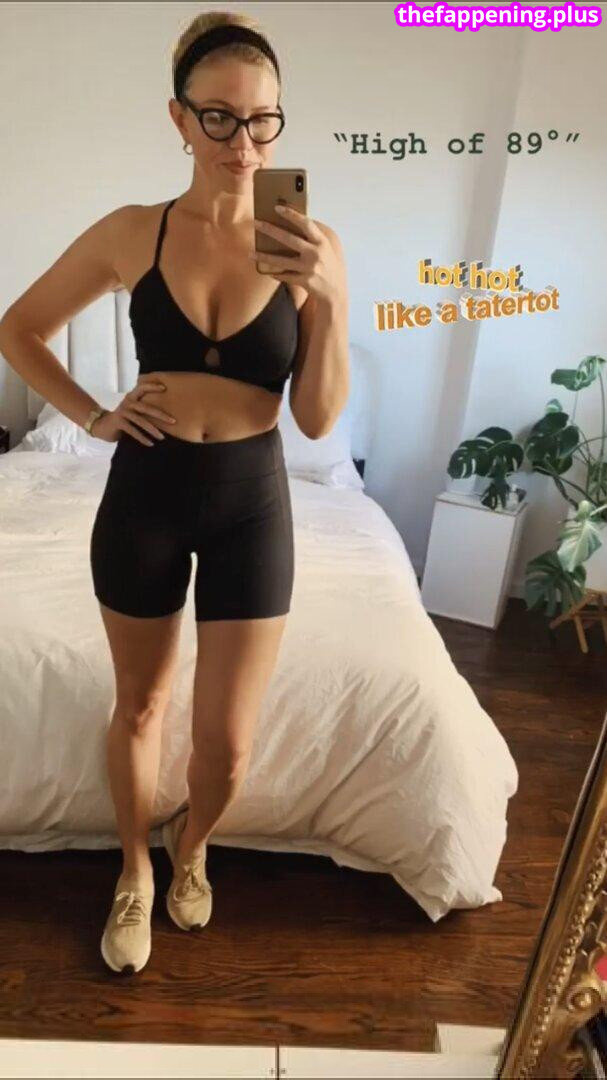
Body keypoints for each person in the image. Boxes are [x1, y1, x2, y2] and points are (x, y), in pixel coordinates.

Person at [0, 10, 349, 976]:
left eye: (264, 120)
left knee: (227, 747)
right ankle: (131, 870)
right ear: (180, 119)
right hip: (145, 492)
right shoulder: (131, 232)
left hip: (252, 501)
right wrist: (92, 414)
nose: (245, 144)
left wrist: (332, 297)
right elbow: (18, 328)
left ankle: (190, 849)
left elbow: (319, 418)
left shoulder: (307, 244)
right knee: (141, 706)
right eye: (220, 118)